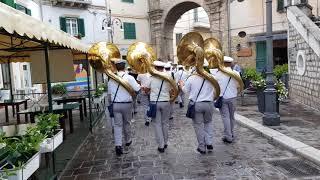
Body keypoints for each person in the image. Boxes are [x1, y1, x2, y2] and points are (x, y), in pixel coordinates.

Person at [178, 60, 215, 154]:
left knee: (198, 126)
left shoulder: (192, 78)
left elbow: (186, 91)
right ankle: (209, 142)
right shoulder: (212, 77)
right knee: (208, 123)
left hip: (197, 104)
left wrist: (181, 85)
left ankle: (202, 147)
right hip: (209, 103)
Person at [108, 60, 140, 156]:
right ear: (124, 66)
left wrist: (110, 104)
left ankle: (118, 145)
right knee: (127, 123)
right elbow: (137, 89)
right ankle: (127, 140)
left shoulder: (111, 79)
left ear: (116, 67)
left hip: (115, 104)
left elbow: (109, 95)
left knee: (117, 125)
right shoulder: (129, 77)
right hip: (127, 104)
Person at [145, 61, 172, 153]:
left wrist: (146, 90)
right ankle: (165, 142)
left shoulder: (151, 78)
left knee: (157, 124)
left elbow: (146, 90)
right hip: (166, 102)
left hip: (155, 103)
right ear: (163, 68)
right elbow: (172, 90)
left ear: (155, 68)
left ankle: (160, 145)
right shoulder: (168, 77)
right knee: (165, 123)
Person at [214, 56, 240, 144]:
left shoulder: (218, 74)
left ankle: (228, 136)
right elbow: (238, 86)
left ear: (223, 63)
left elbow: (215, 87)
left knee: (225, 117)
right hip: (233, 97)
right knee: (232, 116)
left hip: (223, 98)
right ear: (230, 63)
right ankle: (231, 133)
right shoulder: (236, 73)